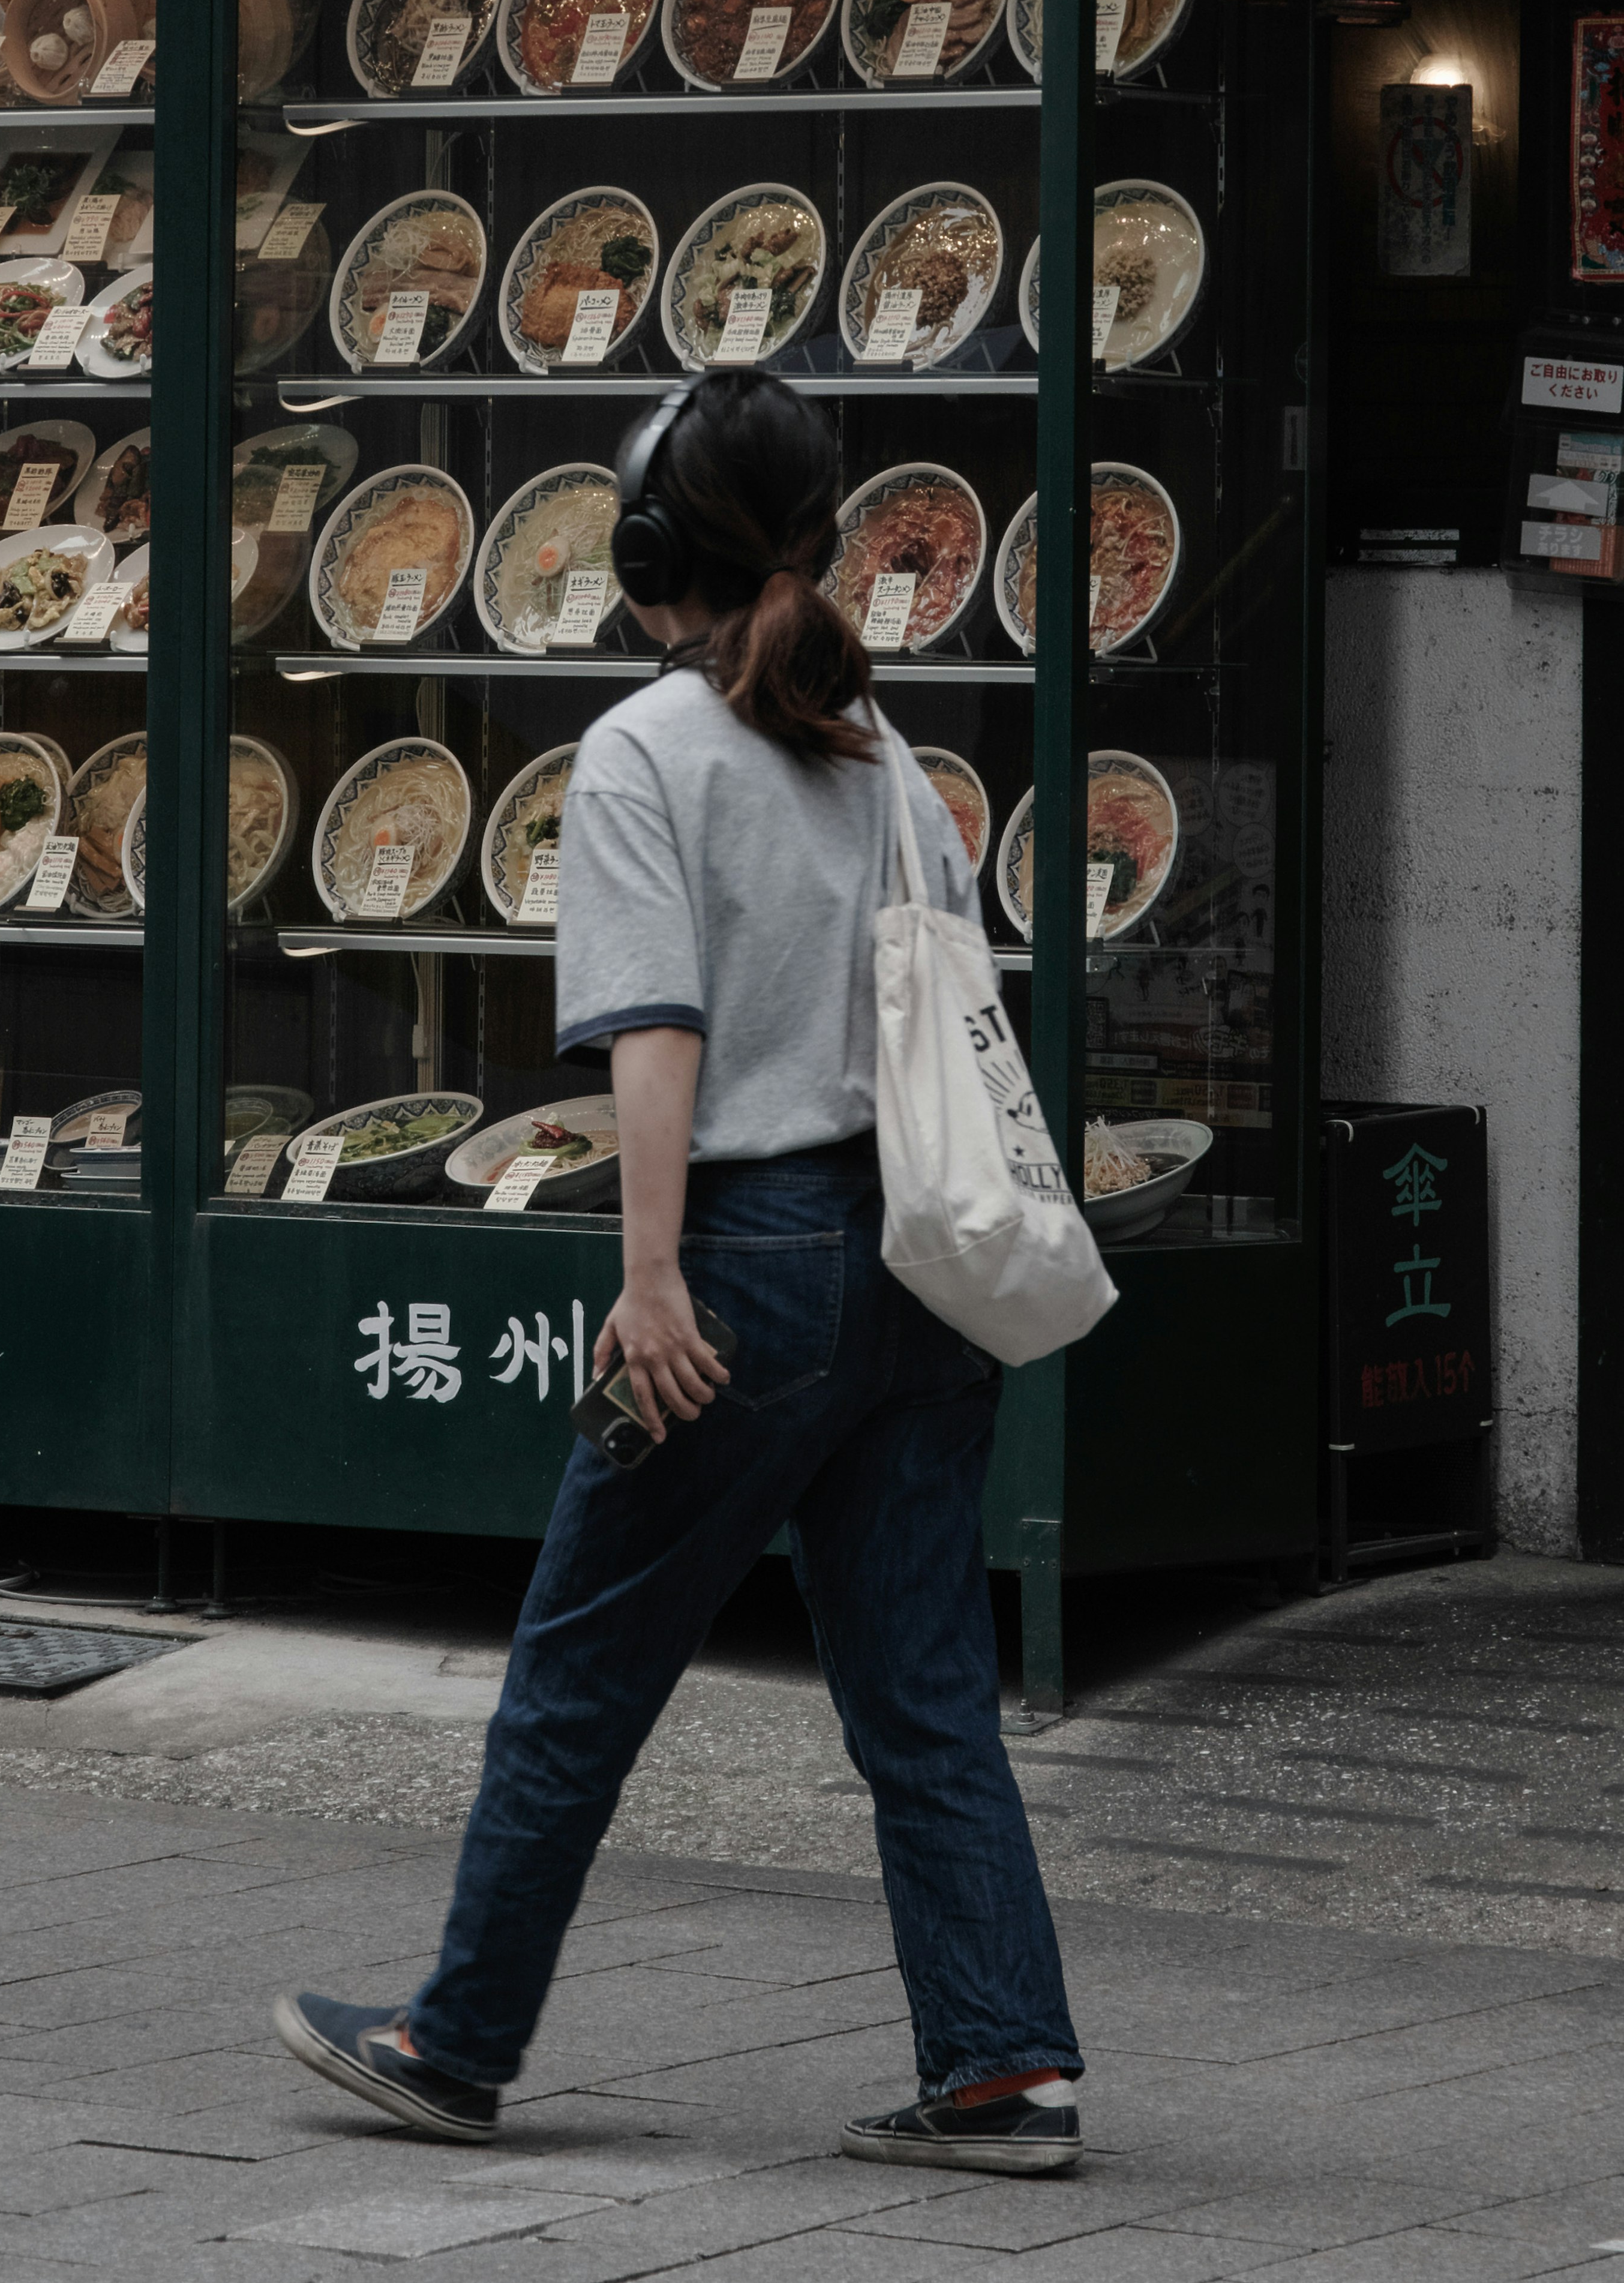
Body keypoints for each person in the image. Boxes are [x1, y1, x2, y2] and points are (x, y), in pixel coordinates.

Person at [275, 367, 1083, 2173]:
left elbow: (655, 1033)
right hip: (916, 1268)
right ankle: (1003, 2063)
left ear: (649, 553)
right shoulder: (890, 763)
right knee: (924, 1684)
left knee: (581, 1662)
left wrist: (650, 1278)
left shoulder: (646, 746)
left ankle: (457, 2038)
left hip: (750, 1259)